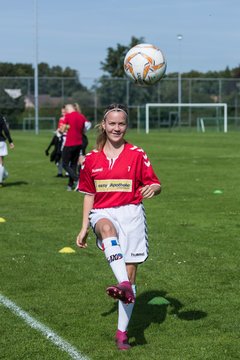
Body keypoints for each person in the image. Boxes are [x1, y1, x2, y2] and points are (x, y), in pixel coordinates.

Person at [76, 103, 161, 350]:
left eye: (121, 123)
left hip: (132, 214)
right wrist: (83, 227)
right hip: (103, 213)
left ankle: (122, 332)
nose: (116, 128)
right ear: (104, 125)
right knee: (106, 229)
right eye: (112, 123)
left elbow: (156, 184)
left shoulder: (137, 154)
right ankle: (123, 285)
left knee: (131, 275)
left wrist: (153, 188)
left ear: (126, 126)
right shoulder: (91, 159)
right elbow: (88, 195)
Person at [61, 104, 90, 191]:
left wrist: (64, 129)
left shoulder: (68, 116)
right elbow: (85, 127)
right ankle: (70, 185)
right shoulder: (81, 116)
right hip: (79, 143)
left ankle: (77, 179)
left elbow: (63, 129)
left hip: (69, 143)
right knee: (73, 165)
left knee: (65, 164)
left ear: (67, 109)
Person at [45, 106, 67, 177]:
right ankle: (60, 172)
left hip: (66, 139)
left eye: (64, 112)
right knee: (58, 156)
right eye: (62, 112)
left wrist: (61, 130)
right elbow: (59, 128)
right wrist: (57, 131)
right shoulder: (61, 119)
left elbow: (65, 129)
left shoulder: (68, 119)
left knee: (65, 156)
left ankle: (68, 173)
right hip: (60, 139)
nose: (62, 113)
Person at [0, 113, 14, 187]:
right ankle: (2, 178)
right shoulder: (1, 117)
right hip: (1, 142)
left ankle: (3, 176)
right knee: (1, 162)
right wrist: (10, 141)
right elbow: (6, 130)